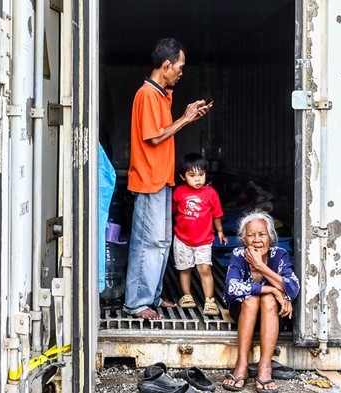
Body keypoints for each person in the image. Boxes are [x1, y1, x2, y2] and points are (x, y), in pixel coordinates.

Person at [124, 37, 213, 320]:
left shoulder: (159, 94)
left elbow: (163, 129)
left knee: (161, 243)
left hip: (162, 179)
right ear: (166, 65)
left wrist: (189, 115)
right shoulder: (147, 95)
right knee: (149, 244)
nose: (181, 72)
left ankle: (152, 296)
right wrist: (185, 119)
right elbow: (153, 138)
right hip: (149, 180)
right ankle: (137, 303)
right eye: (180, 66)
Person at [221, 211, 300, 392]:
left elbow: (293, 287)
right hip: (243, 312)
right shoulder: (238, 254)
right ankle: (242, 365)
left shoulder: (279, 255)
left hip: (273, 315)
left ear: (270, 238)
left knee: (269, 301)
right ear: (243, 240)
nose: (257, 239)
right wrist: (273, 289)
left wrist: (260, 267)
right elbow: (231, 289)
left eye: (262, 234)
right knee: (252, 300)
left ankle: (265, 367)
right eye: (251, 235)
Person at [172, 153, 227, 316]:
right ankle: (187, 295)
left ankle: (209, 300)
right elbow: (172, 213)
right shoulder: (178, 192)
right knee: (185, 269)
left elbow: (217, 214)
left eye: (201, 175)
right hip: (182, 239)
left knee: (204, 269)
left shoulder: (211, 193)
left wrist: (220, 232)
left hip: (204, 240)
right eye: (192, 175)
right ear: (183, 176)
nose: (198, 179)